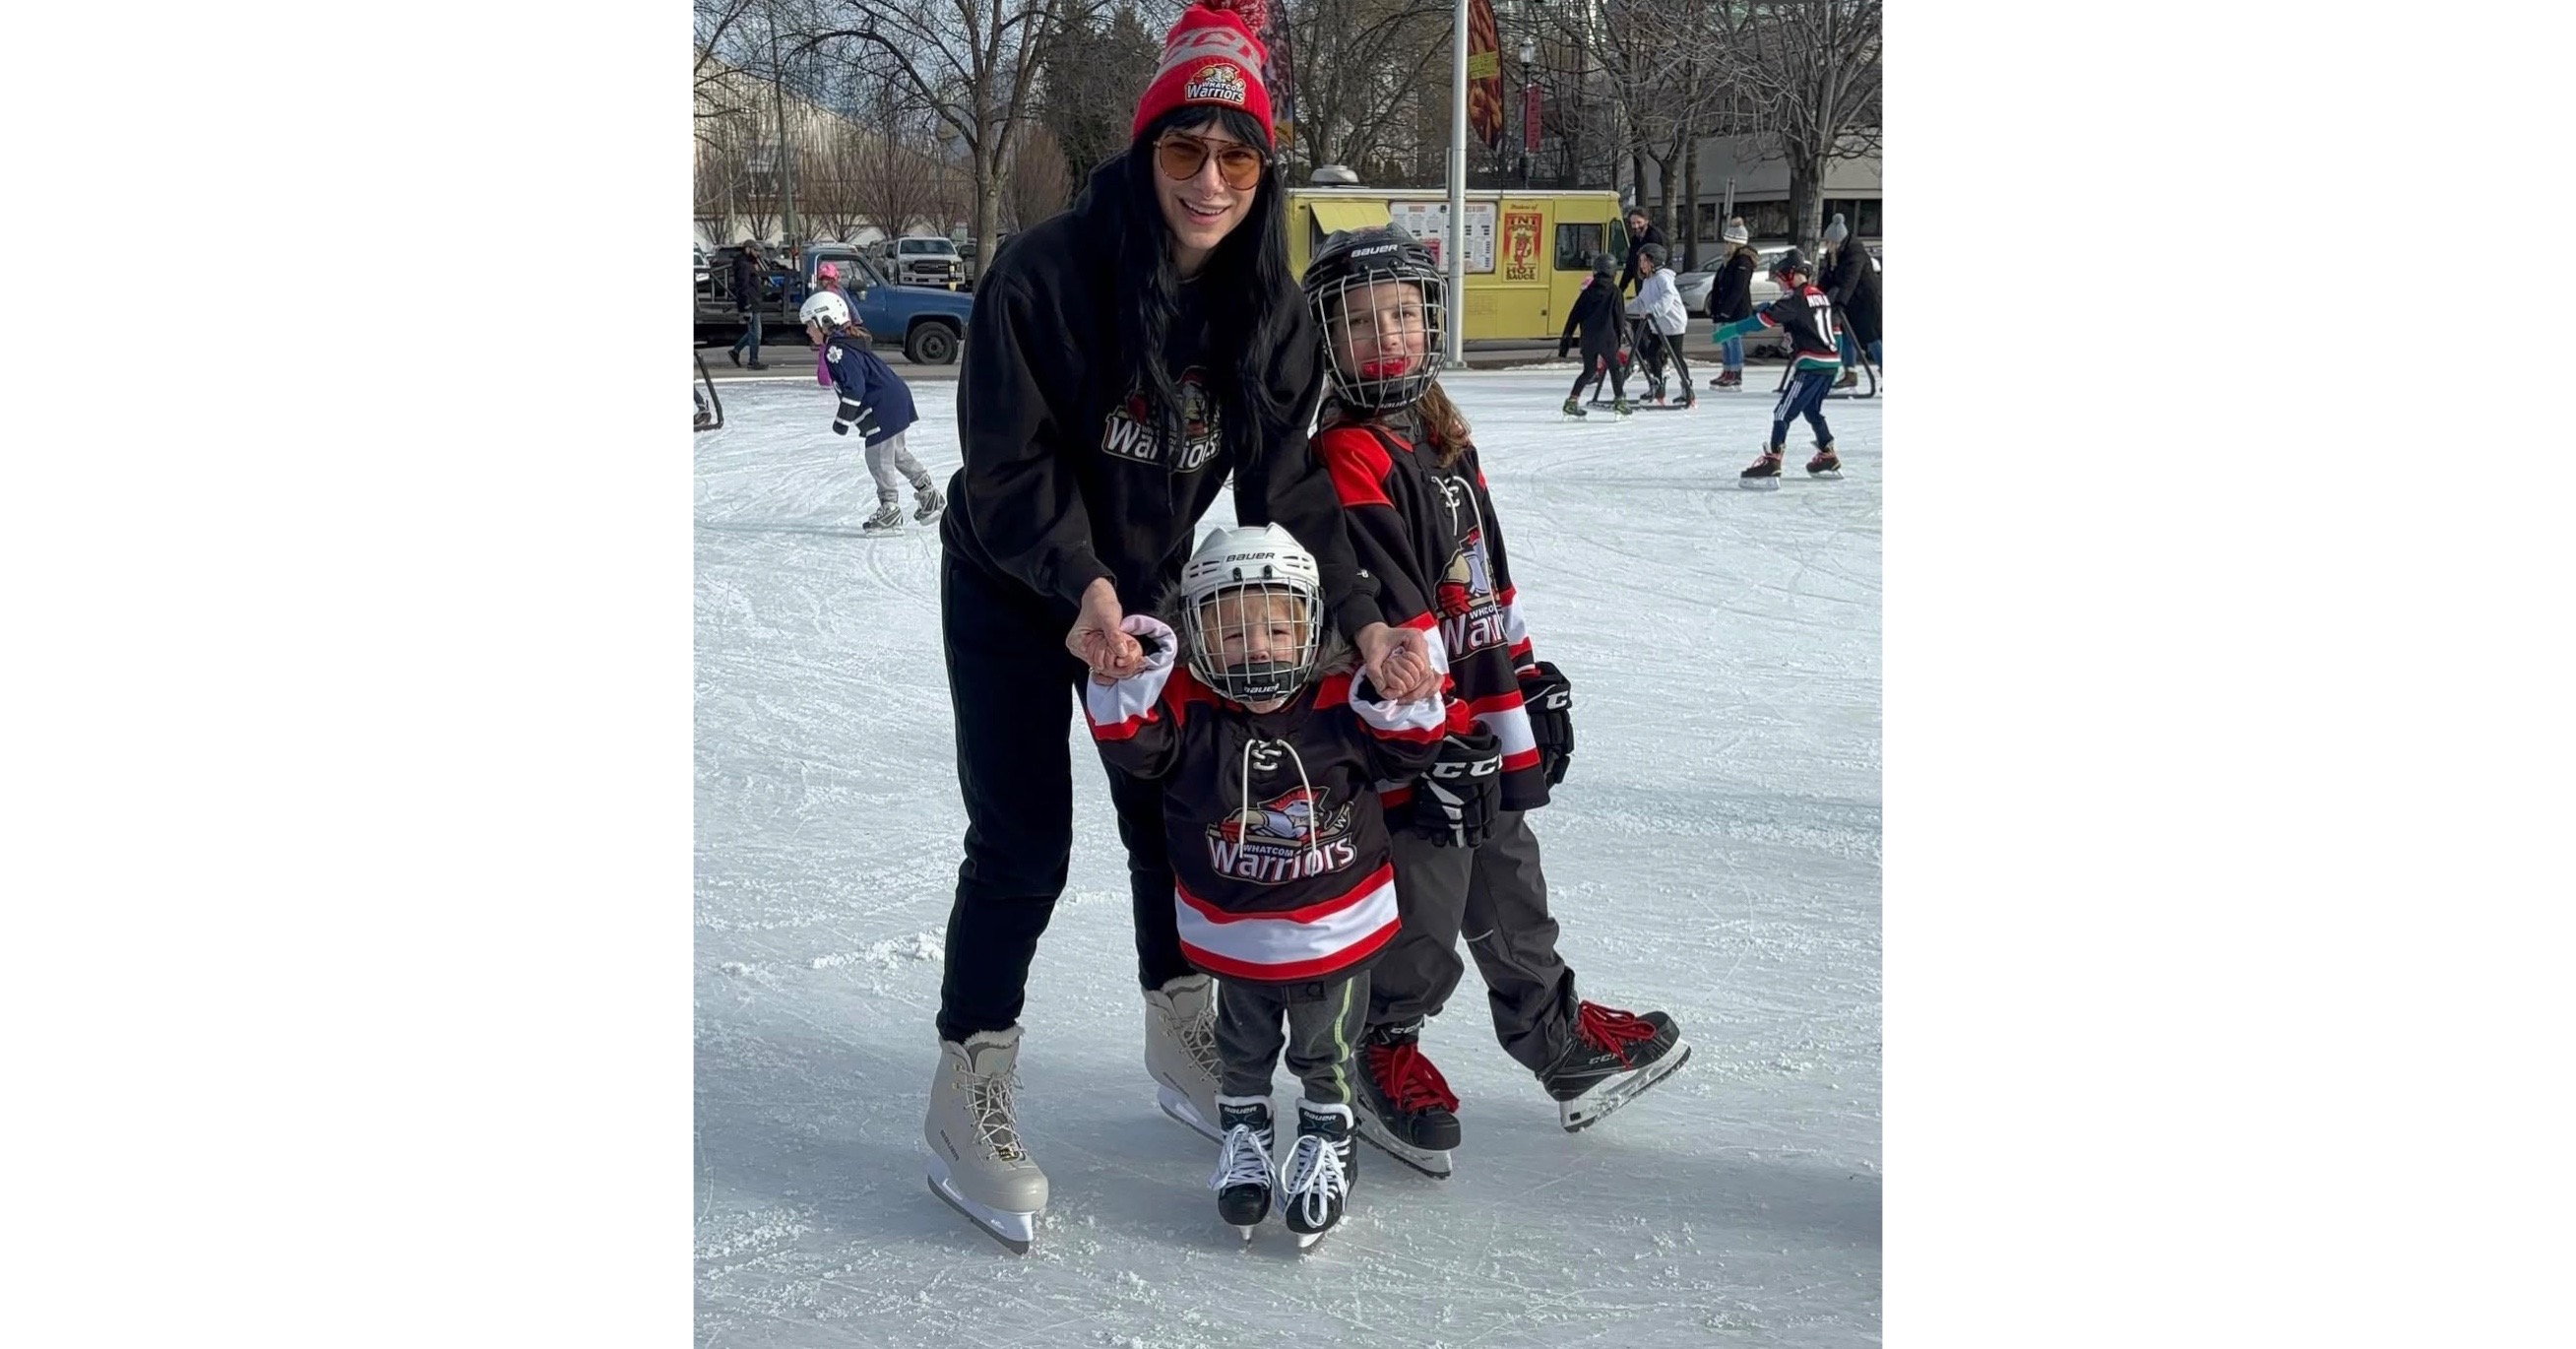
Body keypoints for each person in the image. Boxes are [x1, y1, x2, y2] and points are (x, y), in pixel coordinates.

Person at [921, 0, 1438, 1255]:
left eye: (1237, 158)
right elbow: (1004, 466)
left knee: (1173, 806)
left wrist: (1363, 622)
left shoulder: (1262, 303)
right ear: (1146, 146)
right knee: (1023, 838)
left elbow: (1288, 484)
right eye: (1184, 149)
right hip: (1012, 582)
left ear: (1264, 173)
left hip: (1145, 593)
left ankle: (1179, 1017)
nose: (1209, 181)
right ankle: (967, 1076)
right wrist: (1082, 586)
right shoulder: (1043, 275)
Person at [1302, 225, 1691, 1178]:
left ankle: (1552, 1035)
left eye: (1402, 315)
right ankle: (1377, 1046)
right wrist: (1437, 734)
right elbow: (1392, 611)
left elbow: (1481, 577)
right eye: (1361, 323)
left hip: (1478, 708)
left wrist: (1523, 675)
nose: (1387, 337)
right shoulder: (1347, 452)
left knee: (1510, 872)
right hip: (1413, 728)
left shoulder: (1442, 440)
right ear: (1328, 341)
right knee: (1427, 898)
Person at [1084, 524, 1454, 1249]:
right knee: (1241, 1051)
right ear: (1195, 634)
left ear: (1312, 627)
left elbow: (1409, 751)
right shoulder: (1185, 705)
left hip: (1330, 934)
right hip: (1236, 937)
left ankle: (1329, 1135)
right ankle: (1245, 1134)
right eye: (1231, 634)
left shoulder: (1342, 698)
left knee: (1325, 1053)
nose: (1257, 649)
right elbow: (1132, 745)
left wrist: (1406, 693)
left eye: (1278, 630)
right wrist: (1127, 672)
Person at [798, 291, 943, 530]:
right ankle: (929, 494)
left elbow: (855, 387)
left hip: (882, 406)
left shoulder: (837, 352)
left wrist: (842, 420)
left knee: (877, 456)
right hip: (896, 398)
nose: (807, 331)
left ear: (825, 321)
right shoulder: (847, 343)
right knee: (896, 453)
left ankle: (890, 509)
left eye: (809, 325)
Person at [1710, 248, 1846, 483]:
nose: (1780, 285)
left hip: (1811, 365)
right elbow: (1834, 326)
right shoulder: (1819, 295)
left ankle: (1773, 460)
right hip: (1830, 364)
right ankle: (1827, 453)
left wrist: (1731, 330)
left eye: (1780, 279)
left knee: (1782, 412)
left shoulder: (1795, 299)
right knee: (1811, 410)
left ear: (1791, 274)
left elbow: (1762, 322)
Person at [1555, 253, 1632, 418]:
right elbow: (1619, 317)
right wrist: (1620, 337)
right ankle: (1619, 401)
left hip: (1588, 339)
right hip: (1608, 338)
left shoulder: (1587, 292)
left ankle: (1572, 401)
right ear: (1613, 272)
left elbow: (1574, 316)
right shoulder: (1615, 292)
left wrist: (1566, 341)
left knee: (1589, 371)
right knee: (1615, 368)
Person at [1624, 242, 1694, 409]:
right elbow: (1641, 301)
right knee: (1652, 354)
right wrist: (1624, 310)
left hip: (1672, 323)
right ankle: (1657, 386)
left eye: (1644, 261)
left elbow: (1667, 297)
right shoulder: (1648, 281)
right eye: (1640, 261)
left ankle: (1687, 390)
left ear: (1654, 261)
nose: (1641, 265)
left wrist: (1653, 311)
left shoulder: (1663, 277)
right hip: (1658, 325)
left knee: (1676, 356)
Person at [1819, 213, 1883, 384]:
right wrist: (1816, 293)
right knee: (1847, 335)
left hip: (1866, 300)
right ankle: (1850, 372)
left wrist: (1840, 302)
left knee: (1871, 337)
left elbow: (1850, 280)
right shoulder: (1834, 254)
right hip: (1851, 300)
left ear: (1837, 241)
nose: (1826, 245)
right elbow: (1828, 277)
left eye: (1828, 242)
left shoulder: (1855, 253)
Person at [1705, 217, 1758, 389]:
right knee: (1725, 340)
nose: (1725, 245)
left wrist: (1726, 310)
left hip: (1736, 310)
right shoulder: (1729, 261)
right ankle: (1727, 370)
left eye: (1728, 242)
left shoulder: (1743, 262)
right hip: (1725, 308)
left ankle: (1735, 373)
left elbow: (1738, 289)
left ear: (1735, 243)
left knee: (1733, 340)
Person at [812, 262, 854, 387]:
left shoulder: (824, 293)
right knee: (833, 354)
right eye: (823, 279)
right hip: (835, 329)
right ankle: (831, 379)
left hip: (835, 329)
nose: (825, 281)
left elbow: (850, 307)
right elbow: (851, 307)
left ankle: (828, 380)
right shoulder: (835, 291)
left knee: (829, 354)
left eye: (826, 278)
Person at [727, 240, 768, 370]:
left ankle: (736, 351)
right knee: (756, 333)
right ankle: (753, 361)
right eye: (756, 250)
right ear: (748, 249)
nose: (758, 253)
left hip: (754, 301)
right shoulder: (744, 265)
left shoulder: (749, 263)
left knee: (753, 332)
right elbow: (743, 286)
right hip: (751, 302)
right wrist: (746, 305)